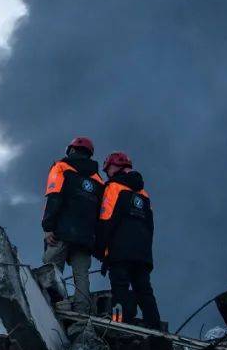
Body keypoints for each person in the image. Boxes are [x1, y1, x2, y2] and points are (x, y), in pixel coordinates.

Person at [96, 151, 162, 329]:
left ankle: (121, 325)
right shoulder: (144, 193)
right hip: (142, 254)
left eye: (108, 168)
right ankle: (156, 327)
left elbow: (106, 220)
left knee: (120, 290)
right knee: (145, 291)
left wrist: (101, 250)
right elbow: (150, 226)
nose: (107, 172)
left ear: (115, 166)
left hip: (119, 252)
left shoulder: (114, 187)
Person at [41, 136, 104, 313]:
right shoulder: (99, 180)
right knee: (82, 275)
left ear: (71, 150)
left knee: (51, 268)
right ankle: (82, 311)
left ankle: (53, 305)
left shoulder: (60, 167)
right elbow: (101, 214)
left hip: (62, 231)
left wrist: (48, 227)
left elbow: (54, 197)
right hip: (86, 237)